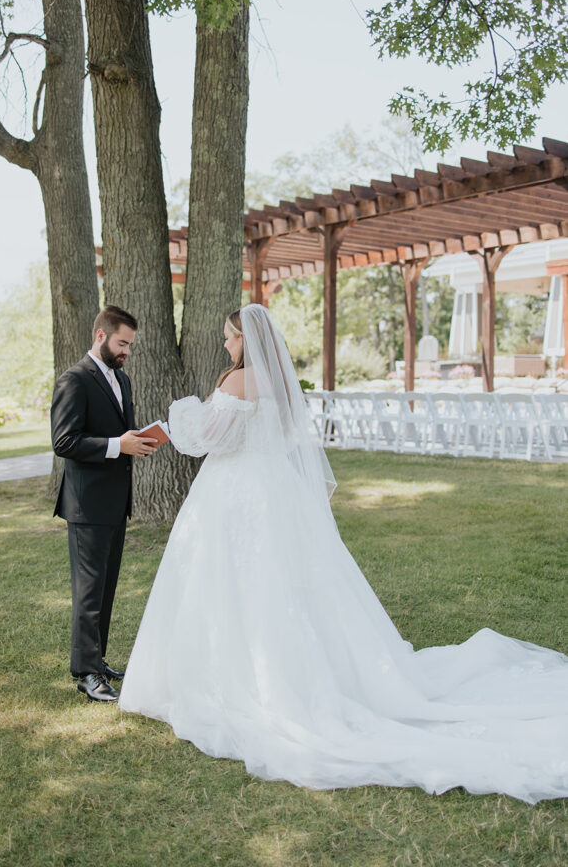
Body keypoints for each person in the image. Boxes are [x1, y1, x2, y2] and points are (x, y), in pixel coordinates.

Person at [119, 303, 568, 802]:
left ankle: (241, 680)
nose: (226, 345)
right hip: (276, 490)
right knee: (288, 581)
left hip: (235, 490)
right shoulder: (283, 386)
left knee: (231, 580)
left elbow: (206, 440)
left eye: (229, 337)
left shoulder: (240, 382)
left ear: (246, 339)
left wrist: (182, 414)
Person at [51, 305, 158, 702]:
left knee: (107, 587)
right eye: (122, 343)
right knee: (89, 590)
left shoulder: (122, 379)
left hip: (115, 502)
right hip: (86, 504)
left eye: (130, 344)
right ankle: (86, 674)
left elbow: (116, 432)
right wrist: (118, 445)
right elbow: (64, 442)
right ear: (101, 335)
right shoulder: (73, 380)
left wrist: (135, 440)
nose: (127, 351)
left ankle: (98, 660)